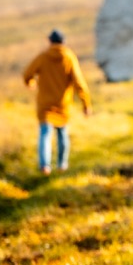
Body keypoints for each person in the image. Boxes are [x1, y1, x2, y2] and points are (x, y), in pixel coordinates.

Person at [23, 30, 92, 175]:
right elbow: (79, 82)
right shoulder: (69, 58)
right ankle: (62, 165)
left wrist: (30, 83)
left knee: (44, 134)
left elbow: (27, 74)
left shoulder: (43, 57)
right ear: (63, 42)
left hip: (45, 104)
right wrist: (86, 104)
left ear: (50, 41)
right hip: (63, 104)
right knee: (62, 134)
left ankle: (45, 166)